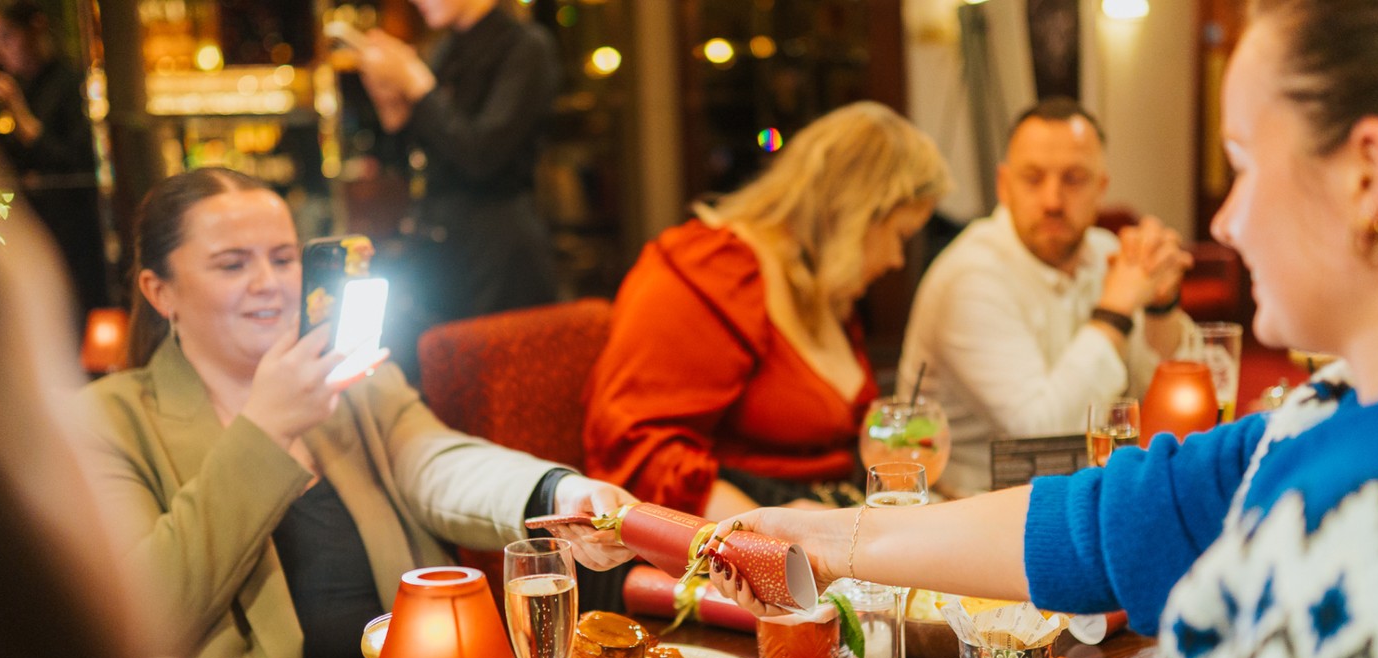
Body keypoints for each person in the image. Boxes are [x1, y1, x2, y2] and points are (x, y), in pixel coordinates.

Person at [707, 1, 1378, 658]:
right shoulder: (1337, 418)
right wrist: (836, 541)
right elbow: (1117, 514)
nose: (1224, 219)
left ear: (1369, 175)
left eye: (1243, 165)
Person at [81, 167, 634, 658]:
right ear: (159, 290)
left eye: (284, 258)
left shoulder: (352, 377)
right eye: (232, 264)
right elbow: (141, 613)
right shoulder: (112, 419)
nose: (269, 283)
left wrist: (556, 493)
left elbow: (434, 459)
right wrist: (265, 431)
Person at [583, 102, 949, 520]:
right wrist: (779, 536)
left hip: (821, 522)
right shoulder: (710, 272)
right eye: (900, 235)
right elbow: (637, 452)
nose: (898, 259)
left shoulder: (820, 284)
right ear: (855, 216)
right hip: (731, 547)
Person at [898, 98, 1195, 497]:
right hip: (969, 512)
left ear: (1101, 188)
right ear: (1004, 186)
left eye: (1073, 179)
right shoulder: (970, 275)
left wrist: (1161, 305)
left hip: (1080, 498)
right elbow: (1043, 434)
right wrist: (1115, 312)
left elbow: (1165, 400)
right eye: (1033, 178)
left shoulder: (1104, 251)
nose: (1053, 201)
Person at [350, 0, 559, 330]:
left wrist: (417, 82)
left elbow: (481, 156)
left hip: (499, 254)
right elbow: (420, 163)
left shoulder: (525, 47)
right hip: (440, 250)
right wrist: (392, 107)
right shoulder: (444, 50)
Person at [0, 0, 110, 321]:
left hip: (76, 233)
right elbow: (11, 165)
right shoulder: (22, 86)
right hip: (35, 229)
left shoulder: (70, 83)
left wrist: (21, 117)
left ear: (34, 28)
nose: (1, 50)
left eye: (6, 37)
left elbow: (78, 162)